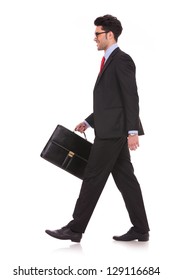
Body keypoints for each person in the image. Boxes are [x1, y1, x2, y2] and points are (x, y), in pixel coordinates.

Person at [45, 14, 150, 242]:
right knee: (126, 179)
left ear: (109, 35)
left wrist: (133, 132)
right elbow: (110, 101)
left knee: (93, 177)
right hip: (110, 129)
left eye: (97, 34)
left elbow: (130, 98)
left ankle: (75, 229)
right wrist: (89, 121)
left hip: (113, 133)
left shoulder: (122, 60)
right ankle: (141, 229)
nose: (94, 38)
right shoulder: (108, 61)